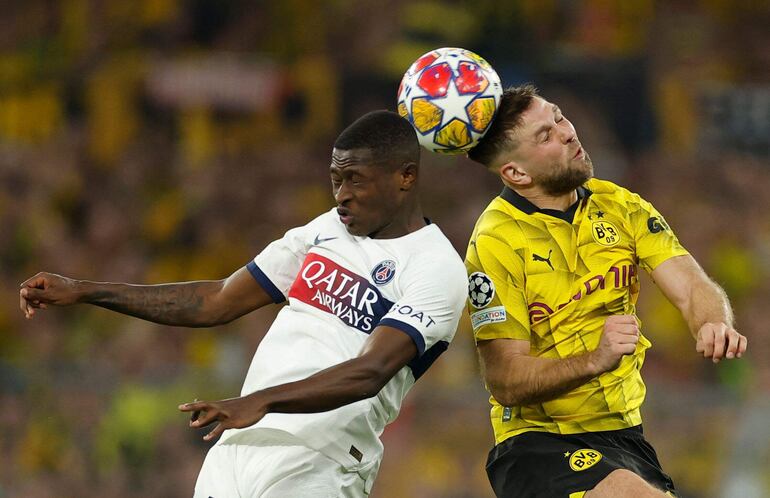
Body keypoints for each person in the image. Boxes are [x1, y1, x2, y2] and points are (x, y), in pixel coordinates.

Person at [19, 110, 468, 497]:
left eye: (355, 180)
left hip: (322, 457)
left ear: (405, 176)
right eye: (335, 180)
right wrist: (85, 290)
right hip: (237, 446)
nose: (341, 195)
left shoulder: (436, 267)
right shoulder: (326, 230)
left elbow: (370, 373)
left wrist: (260, 401)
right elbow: (215, 301)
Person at [464, 84, 747, 498]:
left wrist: (713, 323)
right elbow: (505, 380)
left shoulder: (620, 206)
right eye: (545, 135)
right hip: (538, 444)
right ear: (516, 173)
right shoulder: (494, 242)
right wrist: (596, 358)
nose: (566, 132)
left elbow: (691, 285)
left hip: (625, 437)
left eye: (559, 117)